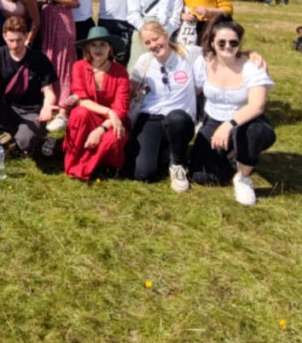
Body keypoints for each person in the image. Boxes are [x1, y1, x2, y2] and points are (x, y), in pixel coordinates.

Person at [190, 18, 276, 206]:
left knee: (253, 132)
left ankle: (243, 177)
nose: (227, 46)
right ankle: (235, 156)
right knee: (203, 176)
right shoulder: (203, 62)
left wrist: (229, 126)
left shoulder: (252, 66)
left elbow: (257, 106)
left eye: (233, 42)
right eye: (221, 42)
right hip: (213, 119)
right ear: (212, 43)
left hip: (246, 122)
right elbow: (192, 90)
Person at [0, 16, 58, 168]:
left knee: (26, 142)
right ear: (4, 36)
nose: (15, 45)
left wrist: (47, 106)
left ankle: (21, 140)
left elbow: (49, 91)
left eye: (19, 40)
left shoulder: (39, 59)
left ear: (26, 36)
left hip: (32, 112)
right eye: (11, 40)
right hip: (8, 109)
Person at [127, 21, 197, 192]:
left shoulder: (189, 55)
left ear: (165, 35)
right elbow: (130, 89)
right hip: (151, 116)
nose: (153, 45)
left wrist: (250, 55)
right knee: (142, 173)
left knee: (177, 119)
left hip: (180, 118)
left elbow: (218, 56)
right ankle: (165, 152)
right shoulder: (144, 61)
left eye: (155, 39)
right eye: (148, 43)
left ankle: (177, 164)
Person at [63, 26, 130, 182]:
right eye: (94, 45)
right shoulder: (78, 66)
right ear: (87, 48)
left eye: (103, 45)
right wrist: (109, 111)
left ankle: (97, 165)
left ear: (110, 49)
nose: (98, 49)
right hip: (90, 116)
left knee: (112, 139)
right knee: (79, 113)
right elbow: (82, 99)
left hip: (110, 122)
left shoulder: (120, 72)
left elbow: (121, 109)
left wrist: (101, 129)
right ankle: (75, 161)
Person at [34, 0, 79, 132]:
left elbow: (74, 0)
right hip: (47, 20)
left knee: (63, 64)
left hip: (62, 19)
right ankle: (50, 102)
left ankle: (63, 110)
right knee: (49, 62)